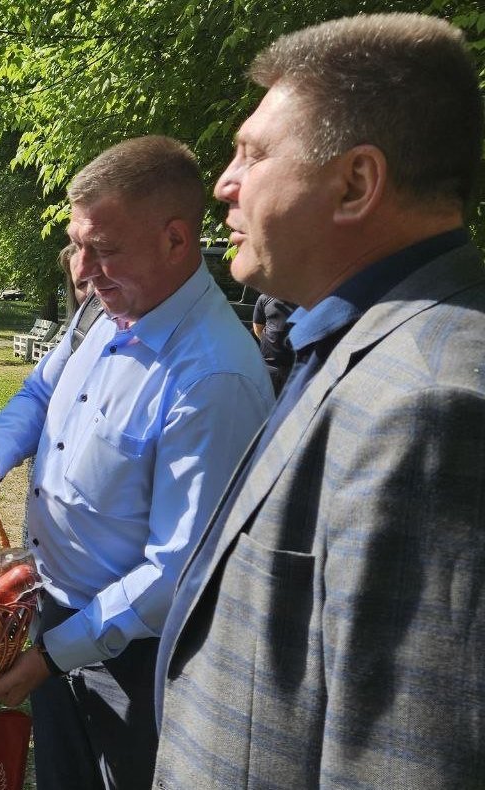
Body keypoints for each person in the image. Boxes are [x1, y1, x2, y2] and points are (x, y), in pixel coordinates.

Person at [155, 14, 485, 788]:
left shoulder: (432, 407)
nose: (224, 183)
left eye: (253, 154)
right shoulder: (356, 346)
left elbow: (405, 764)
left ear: (355, 184)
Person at [0, 136, 274, 789]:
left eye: (104, 250)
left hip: (144, 663)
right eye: (75, 244)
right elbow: (37, 392)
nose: (82, 271)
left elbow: (176, 576)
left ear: (176, 241)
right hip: (58, 623)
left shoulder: (211, 376)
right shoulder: (101, 311)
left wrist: (51, 658)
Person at [251, 292, 296, 393]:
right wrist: (271, 346)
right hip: (268, 365)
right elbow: (258, 327)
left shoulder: (308, 298)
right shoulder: (265, 298)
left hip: (295, 368)